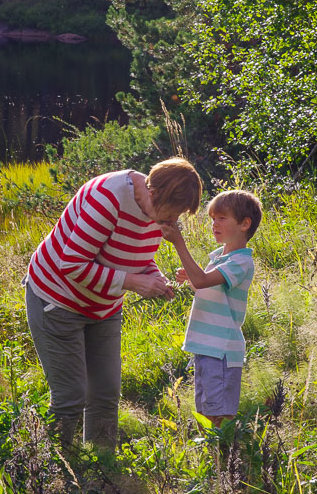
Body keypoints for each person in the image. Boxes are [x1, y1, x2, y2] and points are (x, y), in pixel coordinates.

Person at [25, 157, 202, 452]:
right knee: (71, 397)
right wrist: (134, 283)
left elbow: (134, 253)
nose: (173, 223)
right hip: (56, 299)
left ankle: (102, 472)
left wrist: (153, 278)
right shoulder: (107, 197)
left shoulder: (156, 212)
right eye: (172, 213)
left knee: (105, 394)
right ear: (154, 193)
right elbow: (72, 264)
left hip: (103, 307)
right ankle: (53, 474)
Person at [159, 189, 262, 427]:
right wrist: (192, 279)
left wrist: (179, 243)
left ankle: (226, 457)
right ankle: (214, 455)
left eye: (222, 218)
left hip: (222, 351)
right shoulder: (218, 257)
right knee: (206, 412)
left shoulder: (241, 261)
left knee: (219, 416)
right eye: (213, 218)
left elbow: (204, 281)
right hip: (206, 347)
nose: (214, 224)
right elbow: (206, 285)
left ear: (245, 223)